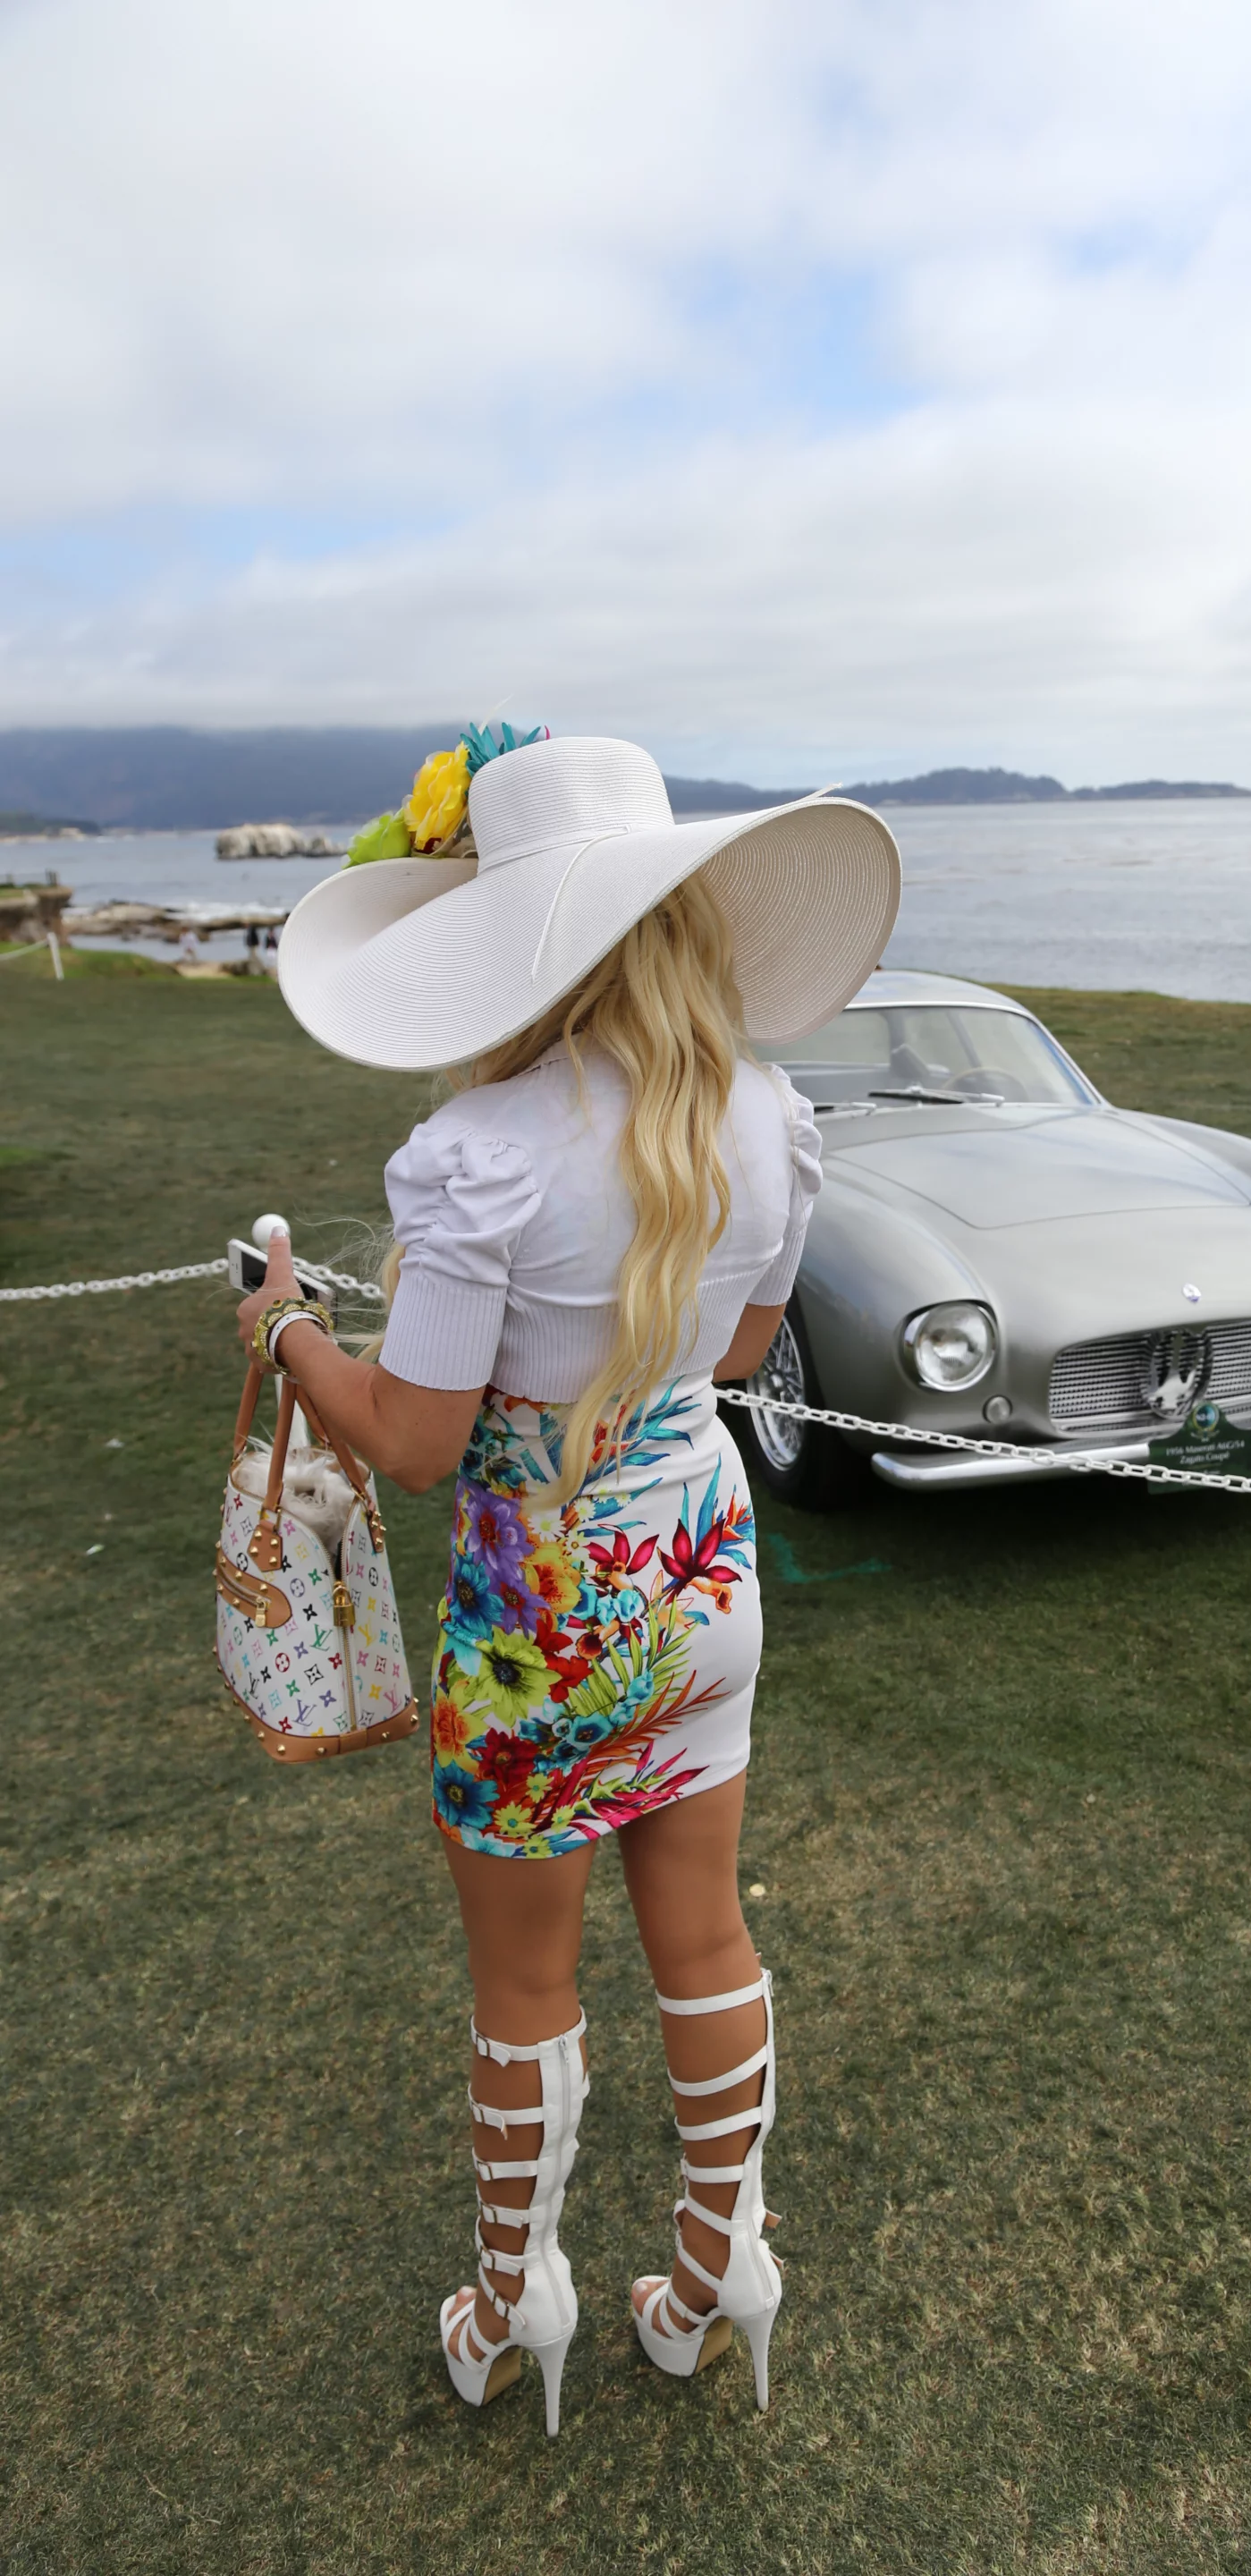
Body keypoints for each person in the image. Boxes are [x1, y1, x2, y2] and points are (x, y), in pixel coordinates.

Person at [236, 728, 900, 2435]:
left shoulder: (483, 1153)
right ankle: (718, 2268)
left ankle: (513, 2297)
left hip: (536, 1623)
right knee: (708, 1927)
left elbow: (416, 1442)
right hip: (700, 1576)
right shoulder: (769, 1118)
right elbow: (735, 1352)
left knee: (527, 1986)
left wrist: (290, 1333)